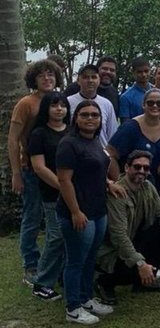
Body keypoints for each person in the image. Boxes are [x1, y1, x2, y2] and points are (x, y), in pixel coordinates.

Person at [57, 101, 121, 324]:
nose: (90, 118)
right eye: (85, 115)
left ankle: (86, 299)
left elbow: (95, 170)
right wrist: (75, 211)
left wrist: (109, 183)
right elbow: (64, 180)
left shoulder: (94, 140)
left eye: (95, 115)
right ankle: (73, 308)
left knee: (91, 257)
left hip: (98, 209)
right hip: (78, 212)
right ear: (75, 118)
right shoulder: (68, 144)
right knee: (76, 260)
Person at [96, 150, 160, 306]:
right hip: (112, 250)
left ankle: (144, 282)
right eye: (137, 167)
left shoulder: (148, 186)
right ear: (127, 168)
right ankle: (104, 283)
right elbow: (118, 237)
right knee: (132, 267)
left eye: (146, 168)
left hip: (134, 238)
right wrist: (140, 263)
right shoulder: (117, 193)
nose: (141, 171)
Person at [8, 58, 62, 286]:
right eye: (41, 75)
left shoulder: (59, 101)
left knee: (56, 217)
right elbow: (12, 139)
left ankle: (54, 263)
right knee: (32, 217)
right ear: (34, 79)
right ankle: (30, 265)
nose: (47, 78)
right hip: (31, 169)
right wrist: (16, 173)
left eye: (50, 74)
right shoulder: (26, 104)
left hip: (56, 169)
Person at [27, 92, 70, 301]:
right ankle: (42, 283)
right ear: (46, 108)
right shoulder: (39, 134)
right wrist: (64, 187)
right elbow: (39, 167)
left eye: (62, 105)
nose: (59, 109)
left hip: (77, 193)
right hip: (52, 194)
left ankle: (63, 275)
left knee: (71, 236)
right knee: (56, 236)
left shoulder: (72, 130)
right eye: (54, 105)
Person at [108, 89, 160, 186]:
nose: (155, 106)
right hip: (130, 183)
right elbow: (110, 153)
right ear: (143, 105)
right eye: (150, 103)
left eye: (159, 103)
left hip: (154, 182)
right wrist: (118, 183)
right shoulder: (130, 128)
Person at [67, 64, 118, 148]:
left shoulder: (107, 104)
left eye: (94, 77)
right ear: (78, 81)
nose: (90, 80)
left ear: (99, 80)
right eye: (85, 77)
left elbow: (112, 133)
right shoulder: (68, 102)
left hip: (101, 152)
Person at [119, 57, 153, 123]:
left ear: (150, 71)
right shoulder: (126, 97)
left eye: (146, 71)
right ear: (133, 73)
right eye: (139, 72)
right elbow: (125, 125)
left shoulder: (158, 92)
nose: (143, 75)